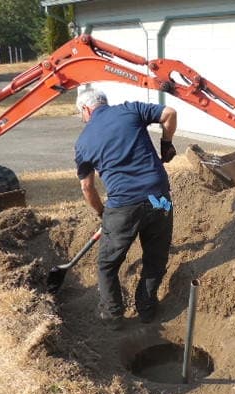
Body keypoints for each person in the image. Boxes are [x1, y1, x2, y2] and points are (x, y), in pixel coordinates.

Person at [74, 87, 178, 330]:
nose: (82, 119)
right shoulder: (130, 109)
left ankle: (112, 316)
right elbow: (170, 113)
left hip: (123, 206)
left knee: (108, 264)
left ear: (86, 110)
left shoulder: (83, 142)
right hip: (159, 199)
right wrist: (166, 144)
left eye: (81, 114)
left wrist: (103, 213)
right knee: (155, 257)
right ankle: (147, 309)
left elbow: (87, 187)